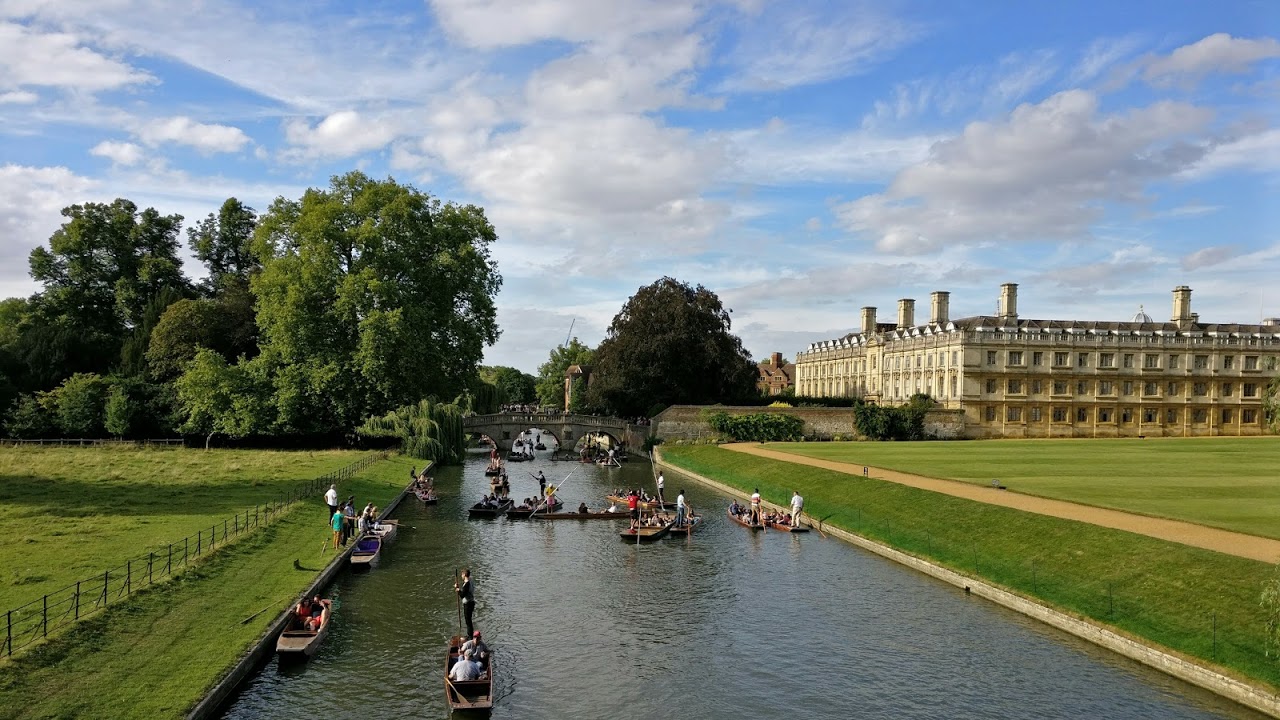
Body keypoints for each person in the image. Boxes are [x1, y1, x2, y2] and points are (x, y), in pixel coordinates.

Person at [455, 569, 476, 637]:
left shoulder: (467, 584)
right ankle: (470, 634)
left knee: (468, 621)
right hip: (471, 602)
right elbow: (465, 588)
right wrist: (459, 587)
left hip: (468, 604)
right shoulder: (470, 580)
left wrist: (458, 589)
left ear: (464, 575)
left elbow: (462, 595)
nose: (461, 576)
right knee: (469, 620)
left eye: (462, 574)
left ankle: (470, 636)